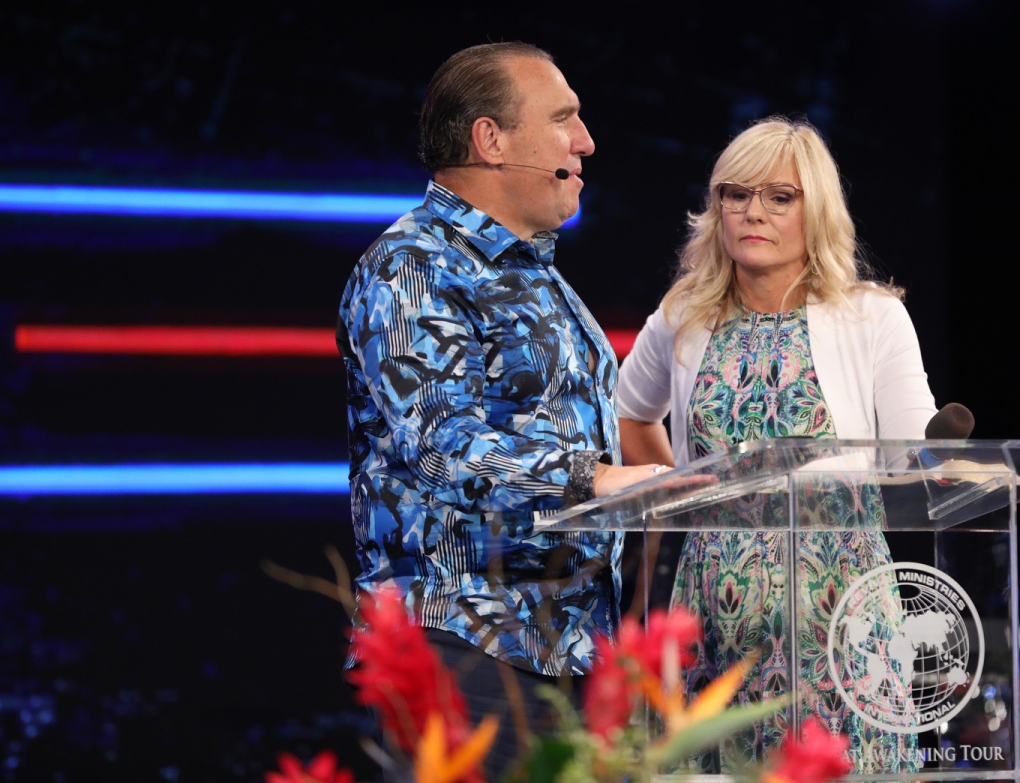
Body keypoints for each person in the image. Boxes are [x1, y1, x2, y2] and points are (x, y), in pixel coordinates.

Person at [336, 41, 664, 777]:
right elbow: (440, 446)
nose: (585, 142)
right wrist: (593, 479)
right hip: (464, 649)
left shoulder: (536, 273)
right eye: (563, 119)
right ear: (491, 139)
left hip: (571, 655)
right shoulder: (413, 266)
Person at [615, 117, 938, 774]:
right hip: (714, 621)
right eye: (735, 194)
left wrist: (945, 454)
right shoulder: (684, 316)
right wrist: (679, 490)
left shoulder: (872, 315)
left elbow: (917, 456)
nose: (752, 212)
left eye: (778, 197)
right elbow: (628, 415)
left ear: (815, 211)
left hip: (841, 617)